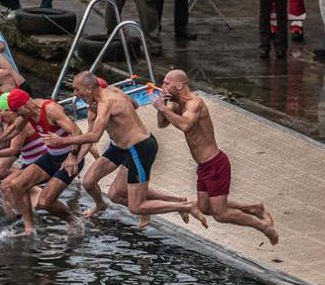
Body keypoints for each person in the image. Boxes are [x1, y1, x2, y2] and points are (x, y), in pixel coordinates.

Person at [42, 72, 207, 229]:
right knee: (92, 184)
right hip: (119, 147)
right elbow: (134, 104)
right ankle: (101, 205)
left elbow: (94, 136)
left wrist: (62, 140)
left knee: (135, 205)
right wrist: (76, 159)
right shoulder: (110, 93)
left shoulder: (105, 103)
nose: (75, 94)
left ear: (89, 89)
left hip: (140, 148)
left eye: (77, 89)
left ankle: (185, 205)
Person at [152, 69, 279, 245]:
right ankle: (254, 208)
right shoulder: (176, 104)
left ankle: (262, 226)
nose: (162, 85)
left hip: (215, 164)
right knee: (204, 207)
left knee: (221, 214)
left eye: (166, 83)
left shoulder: (194, 103)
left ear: (179, 85)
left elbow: (186, 125)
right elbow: (161, 123)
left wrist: (162, 108)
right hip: (204, 166)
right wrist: (163, 105)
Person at [0, 89, 91, 236]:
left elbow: (76, 131)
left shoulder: (49, 109)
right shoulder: (27, 112)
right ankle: (29, 229)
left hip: (69, 159)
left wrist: (72, 155)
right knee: (16, 185)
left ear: (24, 106)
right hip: (51, 157)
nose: (18, 117)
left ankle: (74, 220)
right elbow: (14, 128)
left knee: (45, 202)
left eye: (18, 112)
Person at [0, 92, 48, 218]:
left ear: (11, 110)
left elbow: (13, 150)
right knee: (4, 186)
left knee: (7, 185)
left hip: (40, 163)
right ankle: (15, 217)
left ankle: (21, 215)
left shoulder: (22, 124)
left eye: (1, 110)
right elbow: (3, 144)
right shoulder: (11, 122)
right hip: (31, 163)